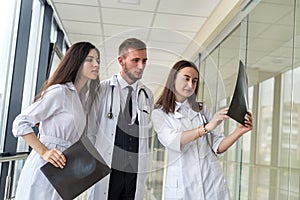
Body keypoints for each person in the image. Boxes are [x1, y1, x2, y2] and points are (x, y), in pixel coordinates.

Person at [151, 60, 253, 200]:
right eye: (186, 79)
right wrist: (206, 128)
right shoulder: (159, 113)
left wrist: (238, 132)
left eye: (194, 81)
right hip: (182, 185)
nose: (190, 85)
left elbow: (218, 147)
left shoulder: (201, 109)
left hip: (210, 181)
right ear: (173, 79)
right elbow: (172, 141)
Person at [12, 42, 100, 200]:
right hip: (45, 166)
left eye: (97, 60)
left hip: (65, 169)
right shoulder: (60, 92)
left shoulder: (82, 100)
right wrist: (45, 152)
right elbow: (20, 123)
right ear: (77, 61)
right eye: (90, 59)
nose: (96, 64)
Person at [88, 38, 154, 200]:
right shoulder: (102, 89)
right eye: (135, 60)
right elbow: (90, 131)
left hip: (134, 173)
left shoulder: (147, 95)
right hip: (108, 170)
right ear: (121, 60)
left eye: (144, 61)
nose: (141, 66)